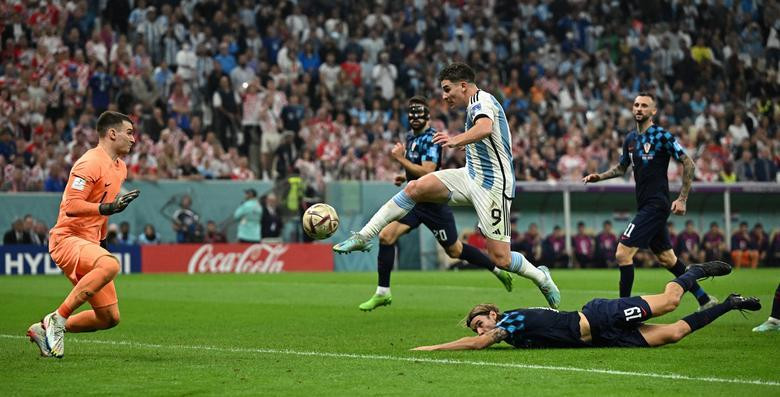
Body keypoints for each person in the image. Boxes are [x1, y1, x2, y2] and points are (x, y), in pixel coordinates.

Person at [334, 63, 560, 309]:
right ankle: (364, 236)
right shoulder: (473, 106)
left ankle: (541, 276)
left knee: (501, 259)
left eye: (447, 89)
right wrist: (466, 144)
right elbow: (484, 134)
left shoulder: (481, 100)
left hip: (493, 185)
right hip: (469, 175)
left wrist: (455, 140)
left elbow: (485, 128)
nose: (443, 95)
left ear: (463, 86)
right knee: (415, 188)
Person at [357, 96, 513, 311]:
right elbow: (418, 171)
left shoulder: (431, 138)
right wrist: (405, 177)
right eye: (411, 115)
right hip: (415, 202)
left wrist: (400, 160)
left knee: (455, 251)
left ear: (428, 117)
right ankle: (383, 292)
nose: (414, 118)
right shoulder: (411, 138)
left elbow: (429, 171)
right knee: (386, 235)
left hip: (433, 205)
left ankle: (497, 269)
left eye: (418, 114)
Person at [412, 261, 761, 350]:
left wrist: (434, 346)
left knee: (670, 301)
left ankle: (697, 271)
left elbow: (478, 343)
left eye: (480, 323)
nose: (481, 330)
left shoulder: (512, 320)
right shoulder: (514, 335)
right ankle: (730, 304)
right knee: (674, 334)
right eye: (478, 328)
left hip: (599, 315)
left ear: (493, 315)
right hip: (604, 338)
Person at [583, 92, 717, 309]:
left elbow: (688, 162)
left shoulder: (661, 136)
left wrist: (682, 199)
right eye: (636, 105)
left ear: (653, 111)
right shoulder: (630, 139)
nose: (639, 109)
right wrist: (600, 176)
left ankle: (622, 310)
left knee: (622, 253)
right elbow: (621, 168)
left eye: (644, 106)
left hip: (657, 205)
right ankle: (704, 299)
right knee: (667, 259)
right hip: (645, 204)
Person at [27, 111, 141, 358]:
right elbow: (71, 207)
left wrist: (102, 242)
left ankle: (46, 328)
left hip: (89, 242)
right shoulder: (89, 162)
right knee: (111, 266)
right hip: (67, 239)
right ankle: (58, 318)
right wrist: (107, 208)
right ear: (112, 133)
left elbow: (103, 211)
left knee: (109, 318)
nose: (134, 139)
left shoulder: (119, 168)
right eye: (129, 133)